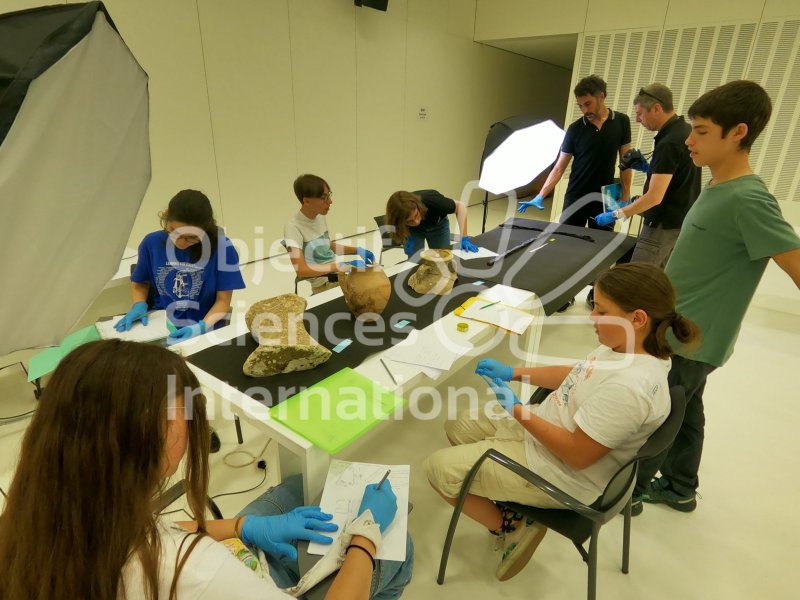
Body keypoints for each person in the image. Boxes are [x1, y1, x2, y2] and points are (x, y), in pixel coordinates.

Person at [0, 340, 413, 599]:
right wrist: (365, 539)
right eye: (186, 412)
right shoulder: (195, 571)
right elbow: (165, 553)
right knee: (402, 549)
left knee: (299, 486)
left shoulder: (30, 516)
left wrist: (241, 527)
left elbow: (144, 536)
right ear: (158, 431)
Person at [425, 263, 699, 581]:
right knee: (457, 427)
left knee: (436, 470)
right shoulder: (626, 346)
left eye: (600, 310)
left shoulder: (630, 388)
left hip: (558, 473)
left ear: (637, 318)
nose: (591, 317)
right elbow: (580, 372)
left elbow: (576, 455)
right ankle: (511, 502)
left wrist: (517, 410)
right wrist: (512, 372)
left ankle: (510, 526)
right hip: (547, 432)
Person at [633, 80, 800, 515]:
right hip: (678, 328)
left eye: (703, 131)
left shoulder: (750, 200)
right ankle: (681, 486)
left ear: (738, 132)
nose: (690, 139)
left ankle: (625, 492)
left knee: (659, 413)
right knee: (685, 410)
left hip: (695, 337)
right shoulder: (717, 187)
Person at [115, 189, 245, 346]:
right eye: (174, 232)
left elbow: (223, 302)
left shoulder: (223, 248)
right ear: (166, 216)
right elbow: (140, 282)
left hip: (204, 328)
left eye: (191, 238)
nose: (181, 243)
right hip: (160, 326)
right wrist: (139, 304)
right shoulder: (152, 243)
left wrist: (200, 328)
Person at [594, 83, 701, 267]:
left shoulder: (668, 142)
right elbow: (678, 176)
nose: (637, 119)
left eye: (640, 113)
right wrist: (649, 169)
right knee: (657, 277)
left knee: (638, 278)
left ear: (657, 108)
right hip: (680, 220)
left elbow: (654, 197)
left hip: (661, 225)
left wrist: (617, 214)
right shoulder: (683, 131)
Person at [518, 74, 633, 232]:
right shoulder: (575, 129)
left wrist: (625, 196)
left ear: (602, 96)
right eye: (580, 106)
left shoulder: (622, 122)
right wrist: (541, 195)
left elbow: (627, 162)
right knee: (566, 239)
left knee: (600, 244)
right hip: (576, 195)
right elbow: (559, 168)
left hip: (604, 198)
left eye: (588, 104)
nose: (585, 110)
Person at [284, 174, 376, 295]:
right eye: (324, 197)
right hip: (325, 285)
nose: (330, 201)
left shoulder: (320, 217)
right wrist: (341, 266)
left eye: (329, 195)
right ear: (306, 201)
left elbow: (327, 246)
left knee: (376, 280)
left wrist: (358, 250)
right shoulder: (293, 228)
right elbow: (301, 270)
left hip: (337, 275)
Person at [384, 189, 479, 259]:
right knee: (414, 260)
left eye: (416, 215)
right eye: (409, 221)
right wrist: (404, 237)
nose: (416, 222)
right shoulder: (396, 219)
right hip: (413, 231)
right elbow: (399, 231)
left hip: (438, 225)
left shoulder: (432, 200)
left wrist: (464, 237)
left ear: (417, 206)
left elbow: (460, 207)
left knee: (442, 257)